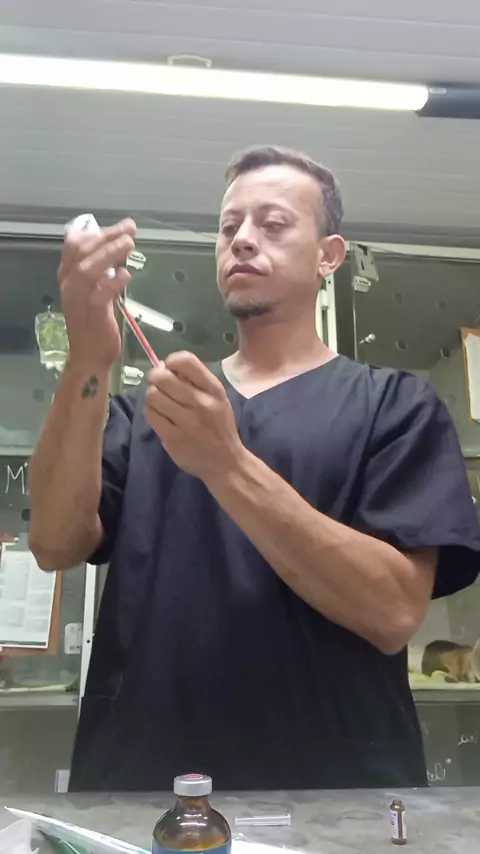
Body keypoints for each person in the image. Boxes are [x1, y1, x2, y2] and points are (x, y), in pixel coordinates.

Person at [28, 146, 480, 792]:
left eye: (272, 224)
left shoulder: (395, 407)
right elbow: (53, 542)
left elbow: (393, 611)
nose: (241, 239)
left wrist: (228, 465)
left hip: (335, 794)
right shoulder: (152, 410)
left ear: (329, 256)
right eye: (228, 226)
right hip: (146, 787)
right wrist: (89, 358)